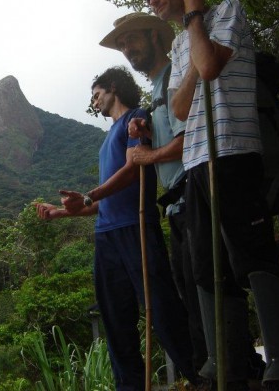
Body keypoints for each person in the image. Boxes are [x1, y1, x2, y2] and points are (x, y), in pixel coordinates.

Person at [137, 0, 279, 391]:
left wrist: (196, 19)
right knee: (206, 265)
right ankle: (226, 365)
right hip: (196, 162)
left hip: (233, 151)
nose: (154, 1)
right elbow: (179, 108)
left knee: (252, 256)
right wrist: (195, 53)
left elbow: (210, 65)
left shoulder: (227, 11)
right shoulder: (179, 44)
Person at [35, 66, 198, 391]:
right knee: (114, 317)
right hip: (106, 235)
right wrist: (60, 213)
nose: (94, 101)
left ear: (113, 87)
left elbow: (133, 168)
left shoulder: (135, 119)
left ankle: (199, 375)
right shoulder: (107, 137)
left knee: (161, 307)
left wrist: (88, 195)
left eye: (97, 94)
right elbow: (104, 201)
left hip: (135, 227)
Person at [99, 12, 207, 373]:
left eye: (131, 40)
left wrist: (148, 154)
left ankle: (213, 371)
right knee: (188, 290)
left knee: (190, 293)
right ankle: (206, 371)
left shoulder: (174, 78)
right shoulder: (156, 93)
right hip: (173, 204)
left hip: (190, 194)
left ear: (154, 37)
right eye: (122, 45)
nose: (127, 49)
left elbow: (189, 139)